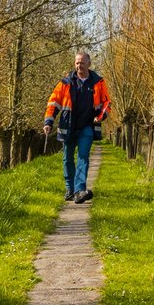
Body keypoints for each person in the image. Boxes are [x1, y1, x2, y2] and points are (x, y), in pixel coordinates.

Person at [43, 52, 111, 203]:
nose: (79, 65)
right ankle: (70, 189)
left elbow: (107, 103)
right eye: (77, 63)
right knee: (67, 158)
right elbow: (53, 102)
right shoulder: (65, 82)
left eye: (82, 62)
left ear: (89, 64)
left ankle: (79, 190)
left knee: (83, 157)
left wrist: (101, 116)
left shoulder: (98, 82)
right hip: (68, 127)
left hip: (87, 127)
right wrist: (48, 122)